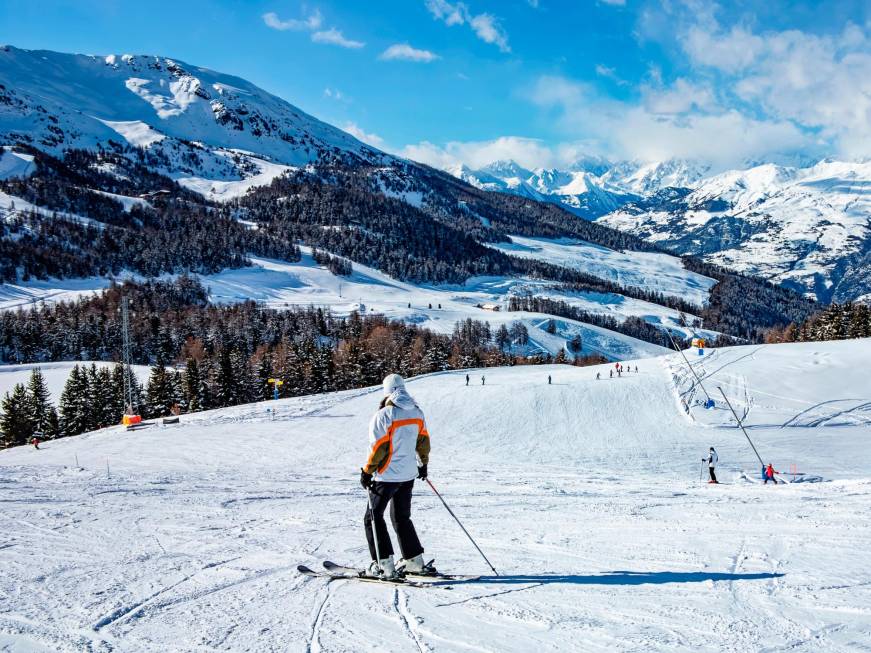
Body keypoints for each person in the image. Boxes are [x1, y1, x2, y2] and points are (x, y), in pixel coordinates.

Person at [360, 374, 431, 579]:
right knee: (401, 517)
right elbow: (423, 441)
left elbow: (378, 447)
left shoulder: (384, 415)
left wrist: (367, 471)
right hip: (408, 474)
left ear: (386, 392)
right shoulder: (417, 412)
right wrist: (423, 464)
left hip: (387, 476)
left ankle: (384, 565)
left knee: (373, 517)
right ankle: (414, 561)